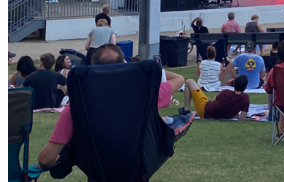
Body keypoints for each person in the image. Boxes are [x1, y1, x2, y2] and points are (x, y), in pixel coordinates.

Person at [38, 44, 186, 168]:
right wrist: (140, 71)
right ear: (125, 65)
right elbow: (178, 79)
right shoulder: (145, 95)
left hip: (99, 172)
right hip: (138, 169)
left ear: (93, 69)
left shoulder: (77, 107)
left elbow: (45, 159)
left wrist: (60, 159)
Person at [183, 75, 250, 120]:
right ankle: (194, 113)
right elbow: (242, 118)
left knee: (189, 81)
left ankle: (186, 110)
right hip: (214, 113)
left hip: (206, 110)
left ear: (234, 85)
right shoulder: (245, 98)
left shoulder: (225, 92)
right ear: (245, 87)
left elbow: (214, 100)